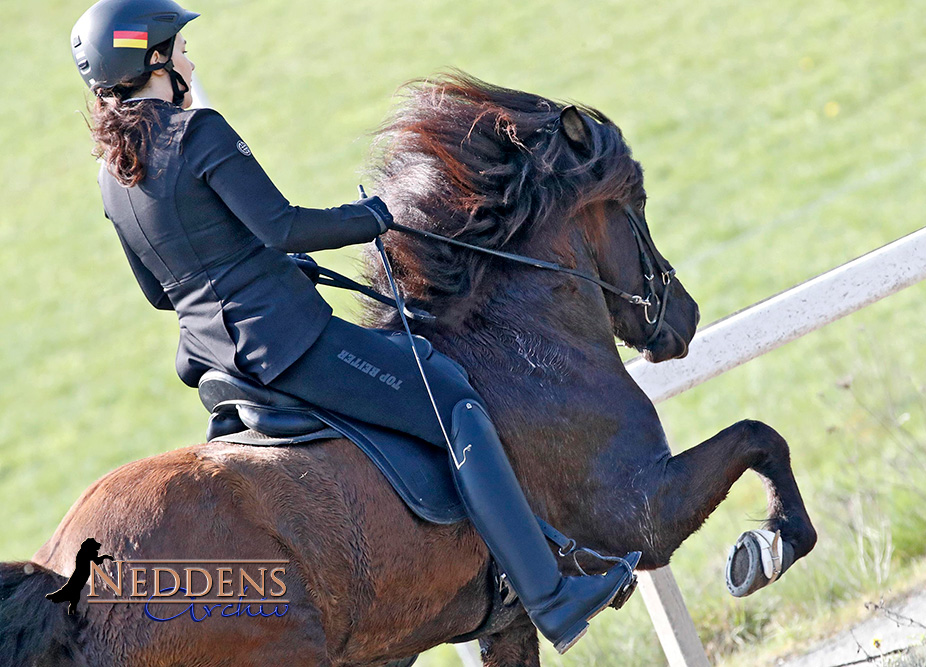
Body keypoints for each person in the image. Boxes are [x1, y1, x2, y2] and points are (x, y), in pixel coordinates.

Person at [70, 0, 636, 652]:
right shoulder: (199, 133)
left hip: (219, 372)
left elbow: (158, 291)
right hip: (290, 348)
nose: (191, 61)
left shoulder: (114, 177)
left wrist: (251, 268)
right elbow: (283, 225)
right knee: (449, 394)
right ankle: (551, 594)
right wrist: (374, 213)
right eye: (180, 49)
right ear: (154, 60)